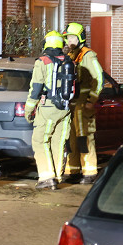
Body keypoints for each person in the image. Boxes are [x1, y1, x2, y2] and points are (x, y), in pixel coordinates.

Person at [24, 31, 77, 190]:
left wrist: (29, 109)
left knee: (40, 141)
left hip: (48, 107)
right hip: (65, 108)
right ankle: (57, 176)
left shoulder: (43, 61)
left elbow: (36, 88)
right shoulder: (69, 61)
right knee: (59, 142)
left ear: (46, 43)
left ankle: (47, 177)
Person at [61, 22, 105, 185]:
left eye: (71, 37)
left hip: (83, 103)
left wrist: (91, 100)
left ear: (80, 37)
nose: (68, 41)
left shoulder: (88, 55)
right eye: (67, 38)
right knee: (71, 138)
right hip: (72, 104)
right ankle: (73, 169)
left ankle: (89, 171)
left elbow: (99, 78)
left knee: (84, 138)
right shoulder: (72, 56)